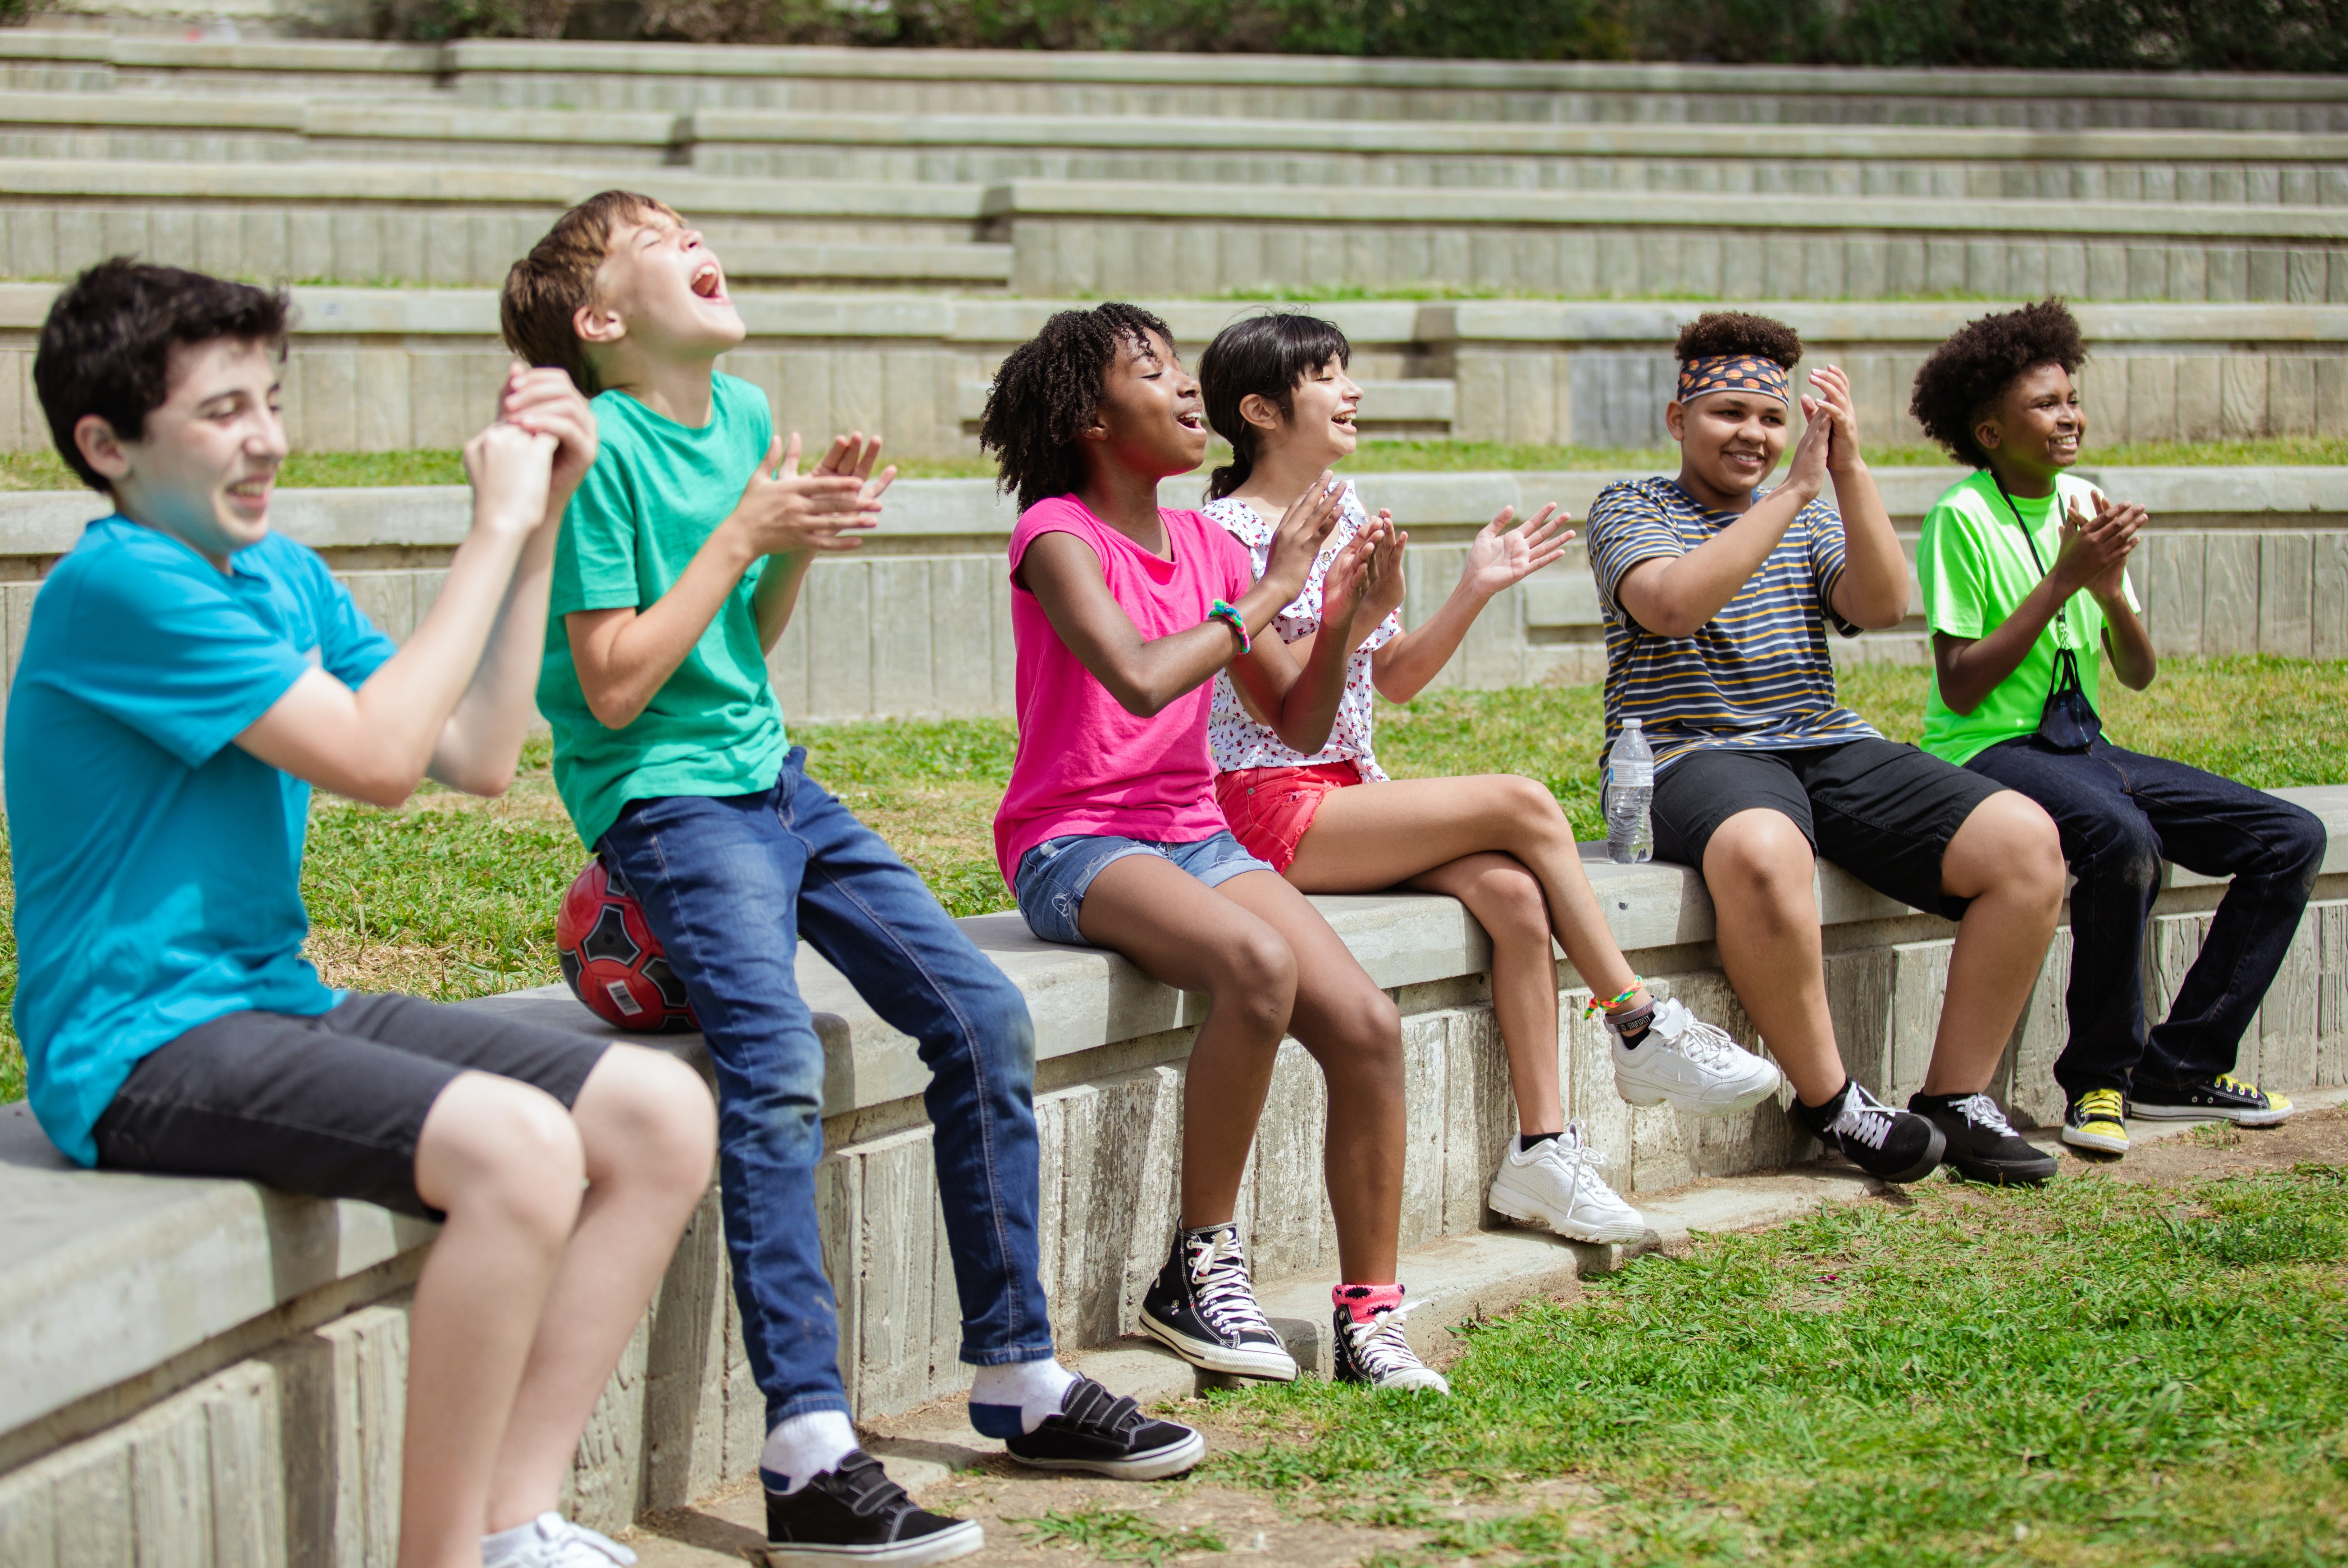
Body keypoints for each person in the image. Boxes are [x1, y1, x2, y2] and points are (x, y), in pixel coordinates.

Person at [501, 193, 1200, 1568]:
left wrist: (791, 553)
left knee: (980, 1012)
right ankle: (806, 1449)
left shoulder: (746, 413)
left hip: (774, 780)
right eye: (664, 237)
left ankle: (1019, 1375)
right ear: (601, 321)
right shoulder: (600, 452)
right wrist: (749, 537)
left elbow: (741, 650)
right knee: (771, 1067)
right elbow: (616, 680)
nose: (703, 240)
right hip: (667, 804)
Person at [10, 259, 715, 1568]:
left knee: (661, 1113)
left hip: (271, 1001)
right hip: (134, 1045)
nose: (266, 437)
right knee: (516, 1151)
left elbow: (473, 752)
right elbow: (380, 761)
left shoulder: (273, 573)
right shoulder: (118, 587)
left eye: (269, 400)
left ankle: (514, 1519)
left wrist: (544, 519)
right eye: (221, 411)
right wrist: (487, 531)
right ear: (106, 445)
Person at [1194, 311, 1784, 1245]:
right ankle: (1633, 1020)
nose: (1350, 391)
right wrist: (1344, 613)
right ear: (1260, 409)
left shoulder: (1349, 513)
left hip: (1347, 792)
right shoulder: (1216, 537)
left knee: (1512, 895)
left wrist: (1473, 585)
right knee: (1520, 799)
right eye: (1325, 376)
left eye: (1348, 372)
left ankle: (1543, 1152)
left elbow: (1395, 678)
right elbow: (1277, 710)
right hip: (1259, 805)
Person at [980, 301, 1453, 1396]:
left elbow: (1295, 726)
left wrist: (1336, 619)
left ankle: (1368, 1316)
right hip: (1076, 841)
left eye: (1180, 369)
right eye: (1151, 374)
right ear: (1090, 419)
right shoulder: (1056, 534)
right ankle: (1198, 1265)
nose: (1186, 390)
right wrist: (1272, 596)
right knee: (1257, 965)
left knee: (1367, 1026)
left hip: (1193, 832)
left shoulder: (1200, 540)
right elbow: (1139, 676)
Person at [1584, 310, 2071, 1187]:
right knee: (1767, 853)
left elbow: (1884, 606)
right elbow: (1669, 607)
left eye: (1773, 419)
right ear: (1676, 420)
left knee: (2026, 842)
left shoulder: (1806, 512)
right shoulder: (1633, 505)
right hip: (1686, 752)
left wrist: (1847, 469)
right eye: (1728, 412)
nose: (1753, 435)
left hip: (1822, 740)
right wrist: (1792, 493)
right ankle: (1833, 1101)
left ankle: (1954, 1099)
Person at [1909, 298, 2316, 1158]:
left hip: (2082, 744)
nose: (2070, 416)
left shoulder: (2084, 501)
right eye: (2046, 404)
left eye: (2071, 398)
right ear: (1989, 431)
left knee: (2289, 837)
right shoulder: (1961, 516)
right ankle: (2099, 1080)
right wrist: (2062, 582)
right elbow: (1961, 684)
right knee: (2120, 838)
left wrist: (2104, 589)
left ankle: (2183, 1065)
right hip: (1990, 751)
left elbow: (2136, 672)